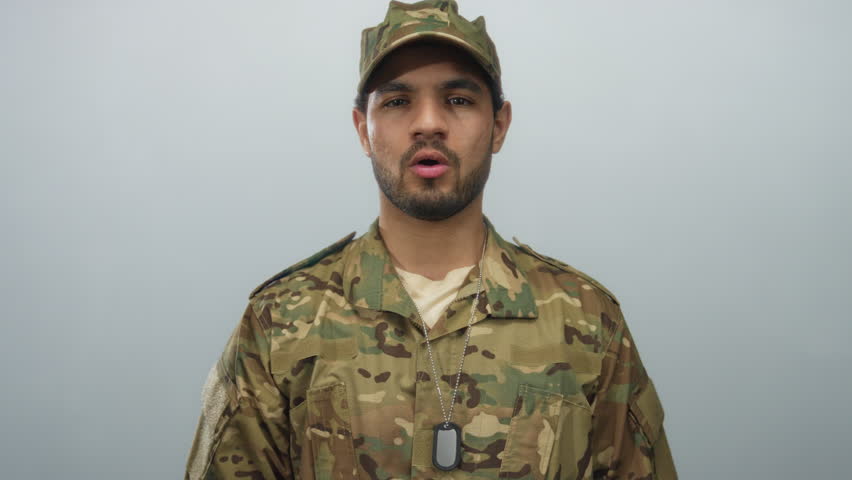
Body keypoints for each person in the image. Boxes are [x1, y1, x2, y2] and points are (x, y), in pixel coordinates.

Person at [185, 1, 677, 478]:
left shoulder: (586, 321)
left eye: (458, 100)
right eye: (398, 101)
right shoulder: (281, 325)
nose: (428, 123)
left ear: (499, 126)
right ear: (363, 129)